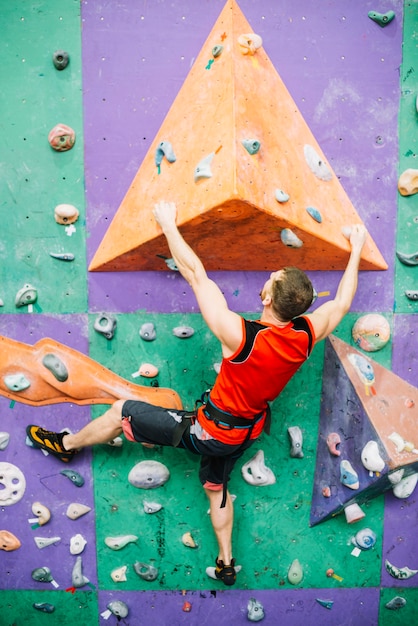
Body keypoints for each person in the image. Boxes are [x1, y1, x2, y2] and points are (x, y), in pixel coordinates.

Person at [27, 201, 368, 586]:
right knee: (217, 487)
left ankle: (67, 444)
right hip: (244, 434)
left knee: (122, 409)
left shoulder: (239, 336)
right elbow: (341, 301)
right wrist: (355, 248)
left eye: (272, 277)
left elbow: (195, 274)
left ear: (268, 299)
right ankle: (226, 561)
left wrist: (168, 223)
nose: (270, 276)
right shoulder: (307, 334)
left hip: (209, 432)